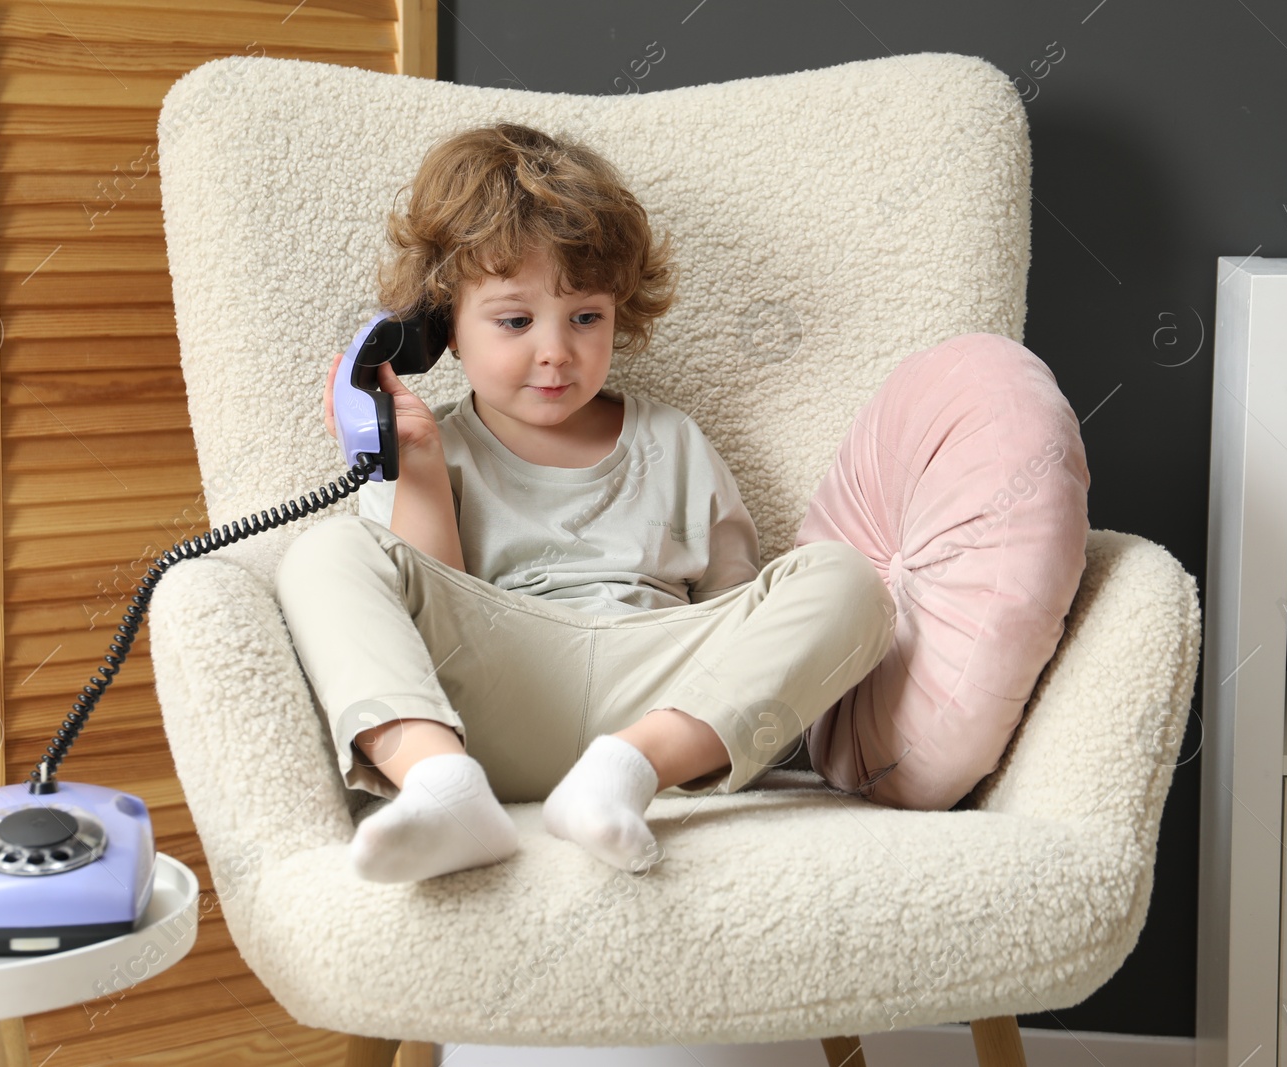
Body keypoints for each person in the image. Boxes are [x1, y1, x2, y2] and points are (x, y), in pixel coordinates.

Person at [276, 122, 895, 885]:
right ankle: (442, 787)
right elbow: (430, 612)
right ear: (440, 331)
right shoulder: (427, 448)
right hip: (495, 698)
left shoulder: (674, 442)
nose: (556, 351)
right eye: (514, 320)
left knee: (848, 580)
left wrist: (682, 720)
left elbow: (738, 619)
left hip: (656, 698)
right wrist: (423, 471)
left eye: (585, 317)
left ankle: (625, 774)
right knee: (323, 552)